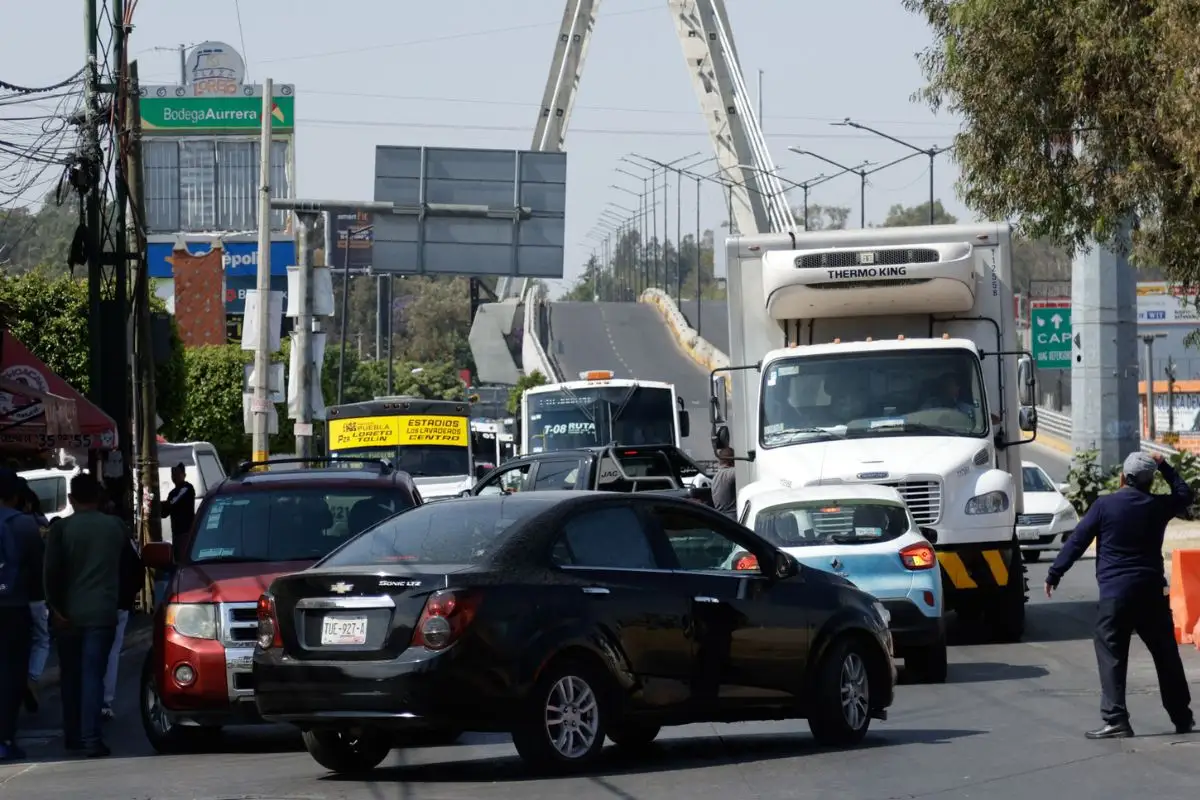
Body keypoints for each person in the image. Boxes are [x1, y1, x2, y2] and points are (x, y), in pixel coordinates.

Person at [1045, 451, 1195, 740]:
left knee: (1112, 652)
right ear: (1150, 482)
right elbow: (1184, 493)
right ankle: (1182, 716)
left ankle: (1116, 719)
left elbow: (1078, 540)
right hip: (1150, 591)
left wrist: (1055, 573)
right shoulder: (1157, 505)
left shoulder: (1105, 505)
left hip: (1116, 595)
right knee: (1166, 654)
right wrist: (1164, 465)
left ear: (1123, 477)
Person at [43, 473, 128, 758]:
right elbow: (132, 568)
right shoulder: (115, 527)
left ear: (71, 499)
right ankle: (92, 737)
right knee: (94, 675)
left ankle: (73, 735)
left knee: (71, 676)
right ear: (99, 498)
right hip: (102, 612)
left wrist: (56, 609)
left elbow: (51, 574)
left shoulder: (61, 530)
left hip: (68, 614)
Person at [0, 469, 41, 761]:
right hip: (13, 608)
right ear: (15, 495)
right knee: (12, 675)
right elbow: (39, 571)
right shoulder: (24, 526)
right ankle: (5, 737)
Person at [101, 492, 142, 721]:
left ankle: (88, 701)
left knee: (86, 654)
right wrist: (127, 598)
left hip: (82, 605)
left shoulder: (73, 531)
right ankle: (105, 701)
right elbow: (137, 569)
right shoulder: (121, 535)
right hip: (117, 603)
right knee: (111, 652)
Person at [16, 483, 48, 715]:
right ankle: (31, 677)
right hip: (36, 594)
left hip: (11, 595)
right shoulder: (37, 525)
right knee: (41, 639)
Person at [160, 463, 196, 544]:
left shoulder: (187, 488)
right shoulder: (172, 493)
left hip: (187, 532)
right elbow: (164, 513)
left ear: (184, 475)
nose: (174, 476)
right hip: (176, 533)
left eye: (177, 473)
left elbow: (172, 502)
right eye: (173, 474)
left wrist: (158, 503)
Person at [710, 448, 737, 519]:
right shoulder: (730, 473)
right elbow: (742, 470)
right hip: (733, 517)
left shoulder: (716, 477)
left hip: (720, 517)